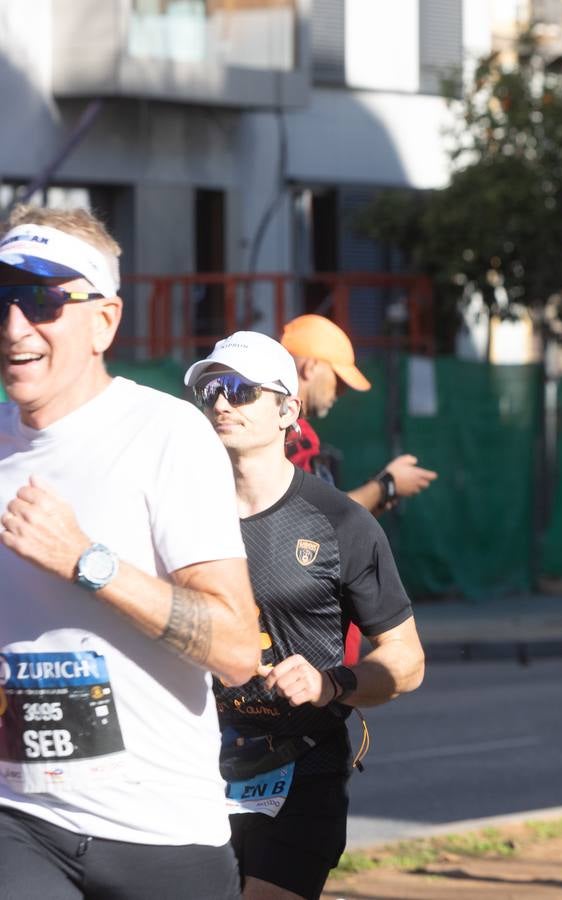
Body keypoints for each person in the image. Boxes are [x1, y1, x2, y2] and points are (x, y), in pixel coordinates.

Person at [0, 206, 260, 897]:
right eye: (1, 299)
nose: (13, 326)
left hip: (162, 831)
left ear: (104, 321)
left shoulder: (165, 436)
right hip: (20, 818)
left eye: (43, 300)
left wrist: (89, 562)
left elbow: (238, 650)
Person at [185, 331, 426, 900]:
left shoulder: (341, 522)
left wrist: (330, 683)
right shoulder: (179, 511)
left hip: (302, 768)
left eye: (242, 390)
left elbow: (407, 660)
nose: (221, 402)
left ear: (288, 409)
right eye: (211, 390)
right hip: (193, 765)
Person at [279, 313, 437, 667]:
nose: (342, 392)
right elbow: (309, 521)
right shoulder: (291, 435)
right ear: (309, 367)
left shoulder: (287, 434)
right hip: (307, 652)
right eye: (338, 380)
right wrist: (386, 486)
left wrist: (380, 496)